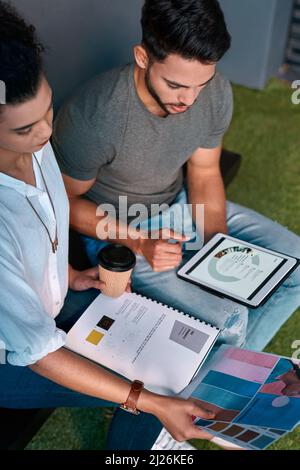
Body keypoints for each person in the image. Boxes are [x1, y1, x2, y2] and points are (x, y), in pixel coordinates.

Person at [0, 1, 215, 450]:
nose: (44, 134)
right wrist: (146, 399)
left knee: (173, 360)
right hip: (14, 359)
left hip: (53, 309)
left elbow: (42, 233)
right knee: (153, 390)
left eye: (47, 110)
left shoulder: (34, 146)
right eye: (24, 129)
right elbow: (36, 351)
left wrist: (69, 277)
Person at [52, 0, 300, 353]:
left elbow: (203, 171)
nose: (190, 98)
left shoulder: (211, 92)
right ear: (142, 57)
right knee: (231, 320)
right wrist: (139, 241)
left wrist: (220, 250)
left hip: (181, 207)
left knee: (295, 266)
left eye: (202, 83)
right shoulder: (95, 115)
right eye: (176, 85)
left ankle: (227, 375)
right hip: (119, 232)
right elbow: (64, 203)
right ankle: (210, 394)